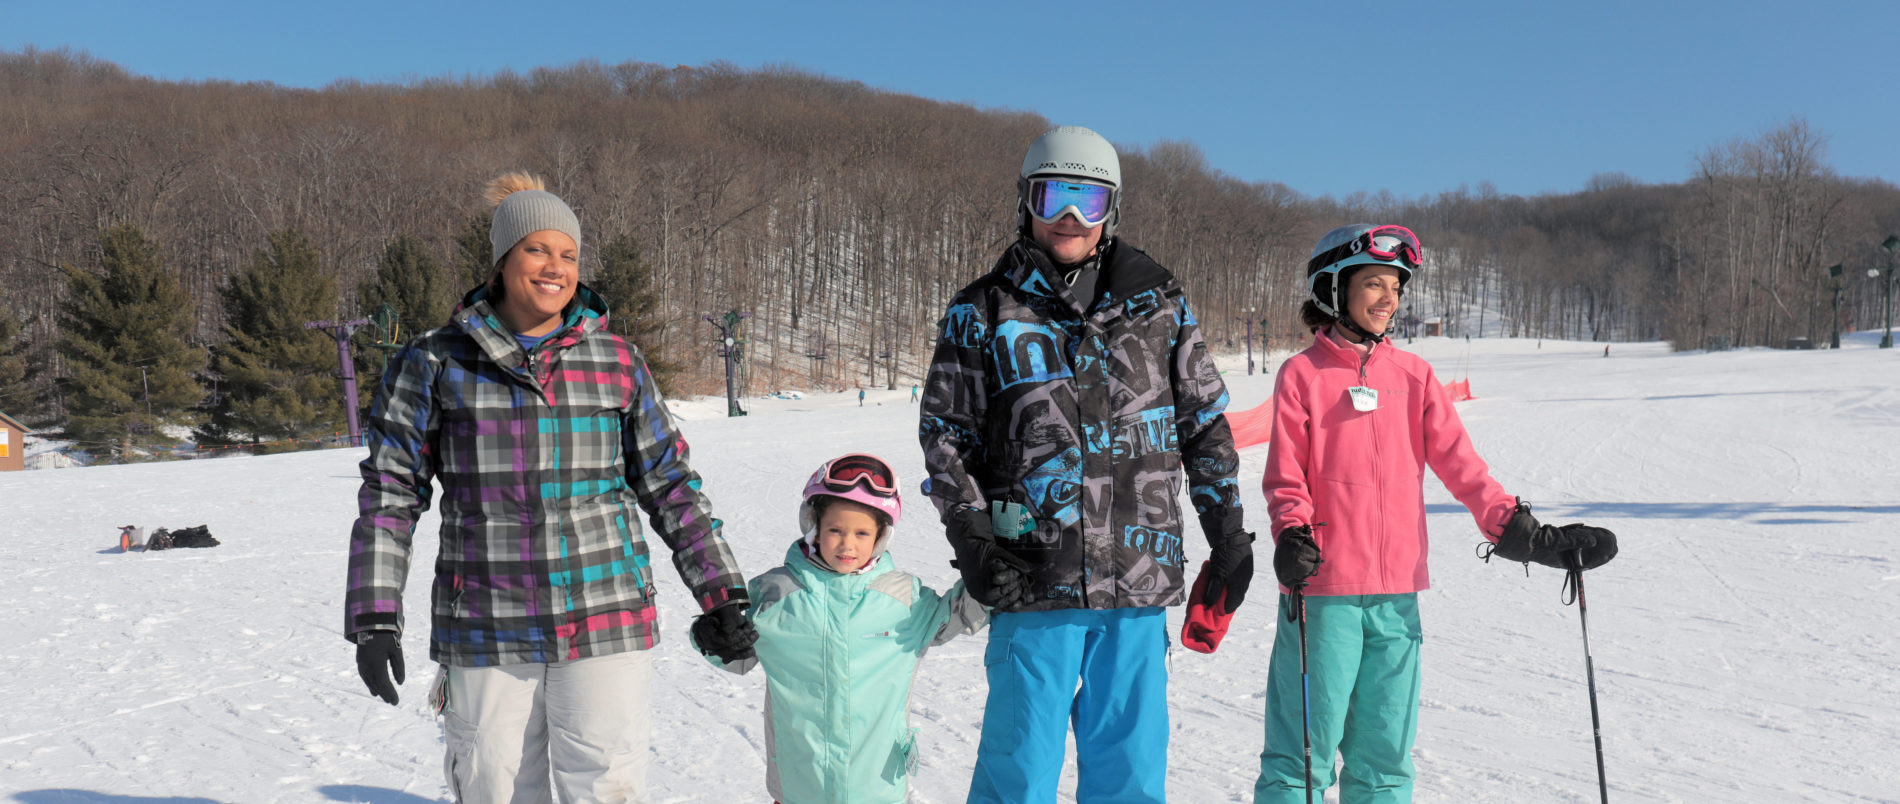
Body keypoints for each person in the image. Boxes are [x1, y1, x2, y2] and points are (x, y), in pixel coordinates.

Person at [344, 172, 758, 804]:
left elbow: (670, 484)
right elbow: (391, 495)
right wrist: (375, 617)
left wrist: (722, 592)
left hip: (605, 611)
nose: (555, 267)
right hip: (486, 619)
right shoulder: (434, 361)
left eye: (568, 254)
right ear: (501, 262)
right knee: (495, 787)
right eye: (537, 249)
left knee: (607, 787)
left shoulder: (617, 360)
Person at [919, 126, 1250, 803]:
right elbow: (947, 435)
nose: (1070, 216)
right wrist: (971, 534)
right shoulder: (985, 308)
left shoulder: (1160, 304)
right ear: (1027, 202)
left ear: (1112, 209)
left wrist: (1228, 532)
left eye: (1088, 201)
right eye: (1054, 198)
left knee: (1129, 771)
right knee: (1021, 770)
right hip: (1034, 574)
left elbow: (1202, 423)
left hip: (1138, 575)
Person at [1254, 224, 1620, 803]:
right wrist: (1292, 533)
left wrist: (1521, 532)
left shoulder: (1414, 376)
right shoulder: (1302, 375)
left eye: (1396, 287)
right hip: (1322, 593)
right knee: (1301, 760)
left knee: (1384, 763)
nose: (1388, 298)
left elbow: (1462, 466)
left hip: (1397, 597)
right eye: (1374, 283)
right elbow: (1285, 476)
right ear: (1333, 289)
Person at [703, 453, 987, 804]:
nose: (847, 544)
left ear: (881, 537)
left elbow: (958, 614)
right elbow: (736, 655)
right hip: (799, 788)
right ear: (813, 526)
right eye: (835, 530)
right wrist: (712, 636)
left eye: (862, 533)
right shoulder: (777, 592)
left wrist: (989, 582)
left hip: (877, 789)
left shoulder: (903, 598)